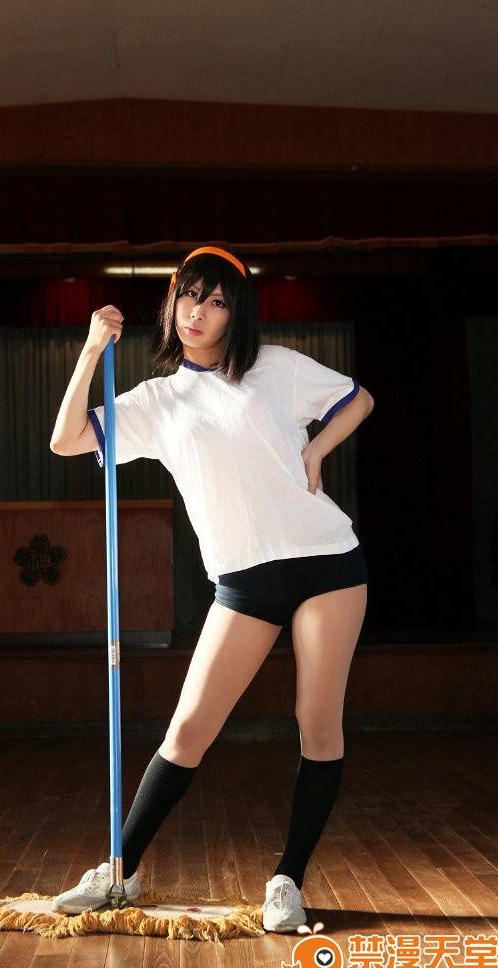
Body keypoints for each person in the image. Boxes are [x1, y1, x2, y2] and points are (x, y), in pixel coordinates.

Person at [49, 245, 374, 932]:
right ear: (172, 303)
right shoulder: (158, 401)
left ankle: (287, 879)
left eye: (218, 301)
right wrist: (91, 351)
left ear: (236, 314)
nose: (199, 311)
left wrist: (318, 447)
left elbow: (358, 399)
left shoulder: (275, 367)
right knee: (189, 728)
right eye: (190, 296)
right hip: (243, 581)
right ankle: (120, 869)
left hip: (326, 564)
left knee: (317, 724)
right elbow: (66, 439)